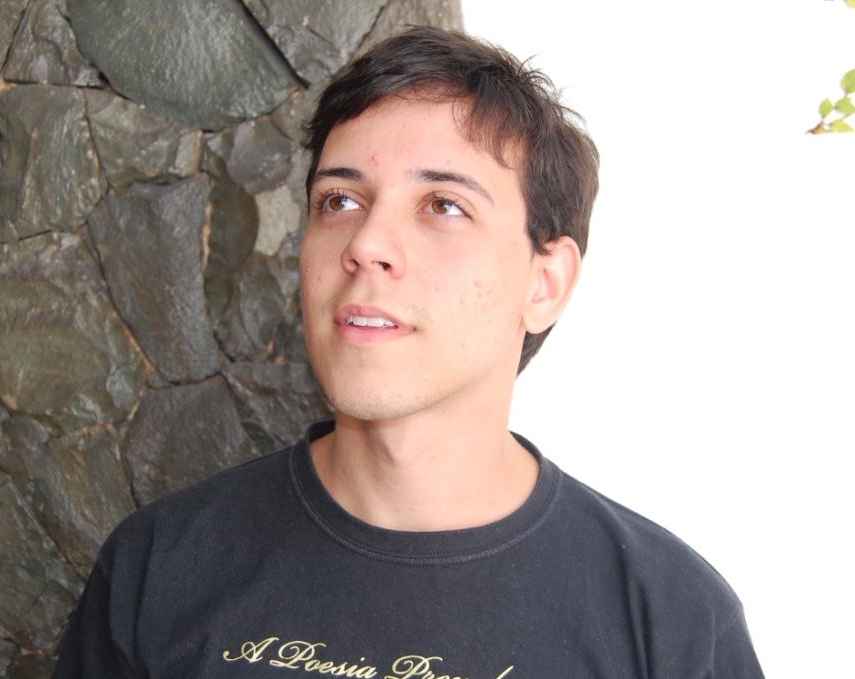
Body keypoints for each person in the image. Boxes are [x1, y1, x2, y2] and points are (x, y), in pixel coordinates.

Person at [54, 27, 764, 678]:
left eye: (443, 206)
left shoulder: (671, 623)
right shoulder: (158, 569)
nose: (366, 244)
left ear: (544, 283)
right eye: (339, 200)